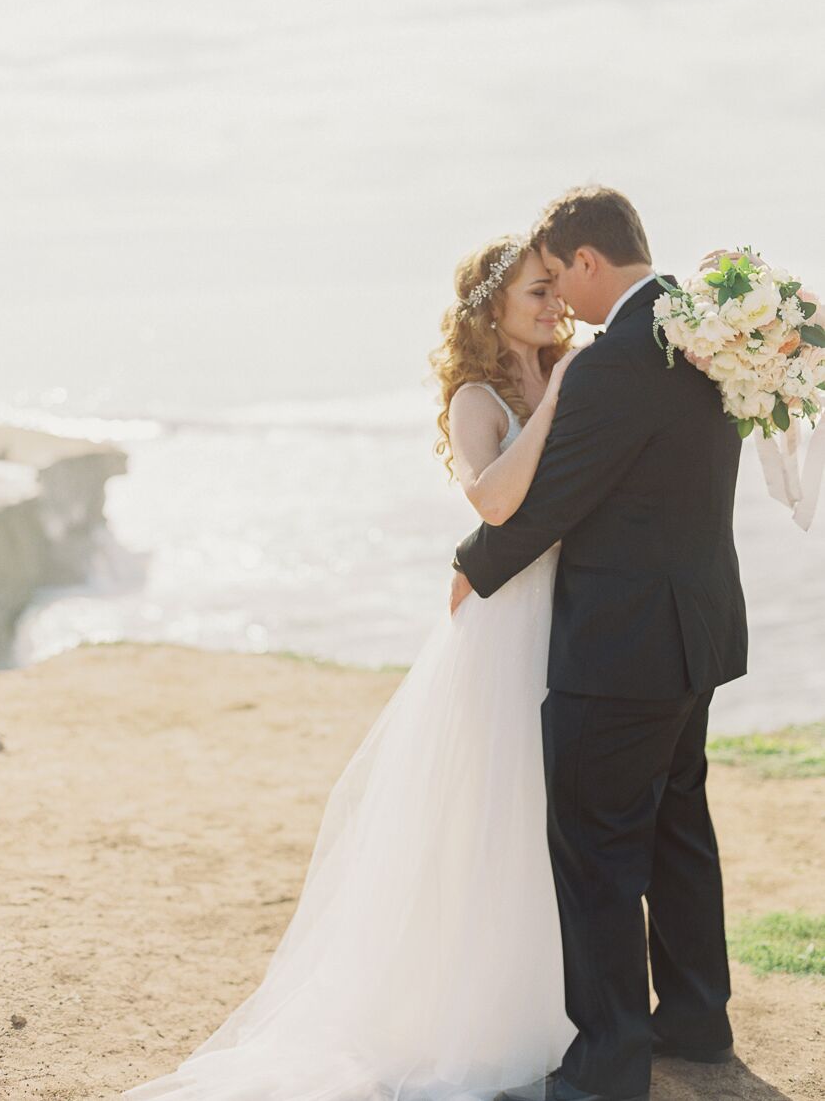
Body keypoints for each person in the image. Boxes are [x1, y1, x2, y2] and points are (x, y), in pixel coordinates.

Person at [123, 235, 580, 1101]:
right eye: (536, 289)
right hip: (501, 627)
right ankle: (478, 1020)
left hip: (567, 617)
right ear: (493, 306)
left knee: (553, 818)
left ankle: (555, 1007)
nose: (553, 302)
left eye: (557, 287)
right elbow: (493, 501)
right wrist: (555, 401)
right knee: (492, 815)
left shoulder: (567, 370)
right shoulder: (479, 398)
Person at [451, 187, 747, 1101]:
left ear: (585, 261)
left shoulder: (621, 356)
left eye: (559, 280)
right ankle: (695, 1016)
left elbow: (555, 498)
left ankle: (608, 1066)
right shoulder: (700, 330)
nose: (560, 303)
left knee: (599, 851)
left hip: (622, 648)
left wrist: (473, 564)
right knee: (675, 830)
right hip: (694, 628)